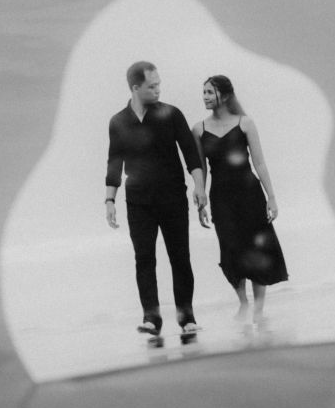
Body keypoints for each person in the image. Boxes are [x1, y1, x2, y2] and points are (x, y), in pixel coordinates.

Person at [105, 61, 210, 337]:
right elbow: (114, 162)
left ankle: (187, 317)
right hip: (138, 202)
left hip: (172, 198)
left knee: (180, 257)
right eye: (152, 86)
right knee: (144, 259)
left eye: (159, 84)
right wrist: (109, 201)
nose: (158, 90)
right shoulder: (118, 122)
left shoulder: (171, 114)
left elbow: (191, 154)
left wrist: (200, 187)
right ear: (135, 88)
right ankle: (151, 318)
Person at [193, 74, 288, 325]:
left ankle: (258, 310)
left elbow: (260, 163)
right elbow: (200, 169)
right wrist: (201, 201)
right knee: (231, 250)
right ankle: (243, 303)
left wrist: (271, 197)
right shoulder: (199, 129)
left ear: (224, 96)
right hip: (221, 198)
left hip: (250, 195)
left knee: (256, 248)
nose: (205, 97)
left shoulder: (245, 123)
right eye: (204, 92)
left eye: (210, 92)